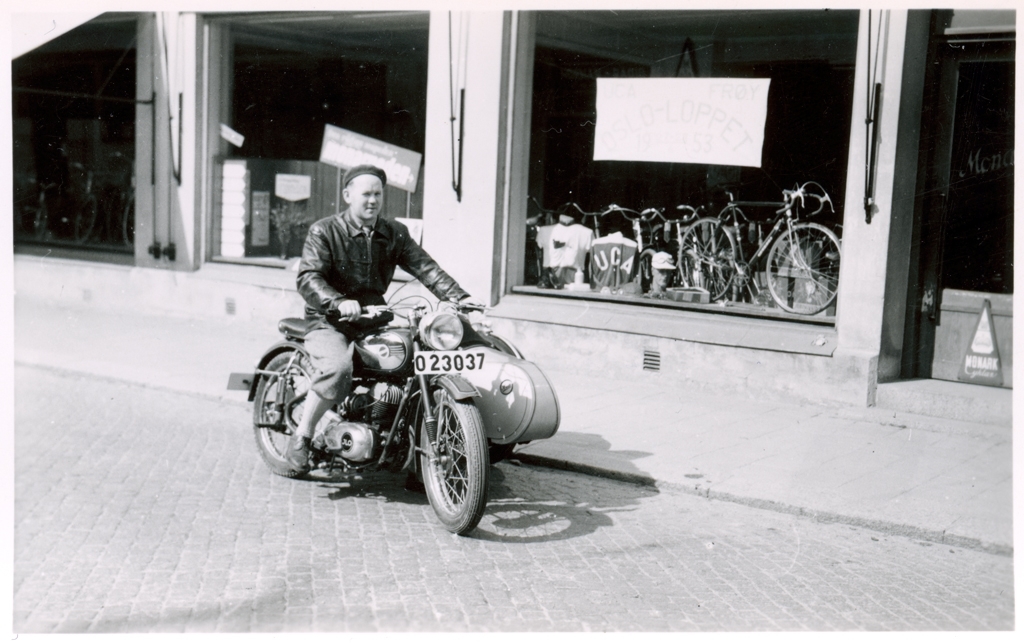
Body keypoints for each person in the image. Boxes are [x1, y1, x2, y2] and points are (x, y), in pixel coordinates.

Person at [287, 164, 481, 472]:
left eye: (377, 194)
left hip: (372, 320)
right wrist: (338, 301)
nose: (372, 200)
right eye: (366, 194)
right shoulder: (324, 231)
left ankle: (410, 453)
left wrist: (459, 298)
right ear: (347, 195)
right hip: (328, 321)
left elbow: (426, 267)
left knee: (414, 361)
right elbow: (308, 278)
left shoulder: (393, 232)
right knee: (338, 369)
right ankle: (303, 435)